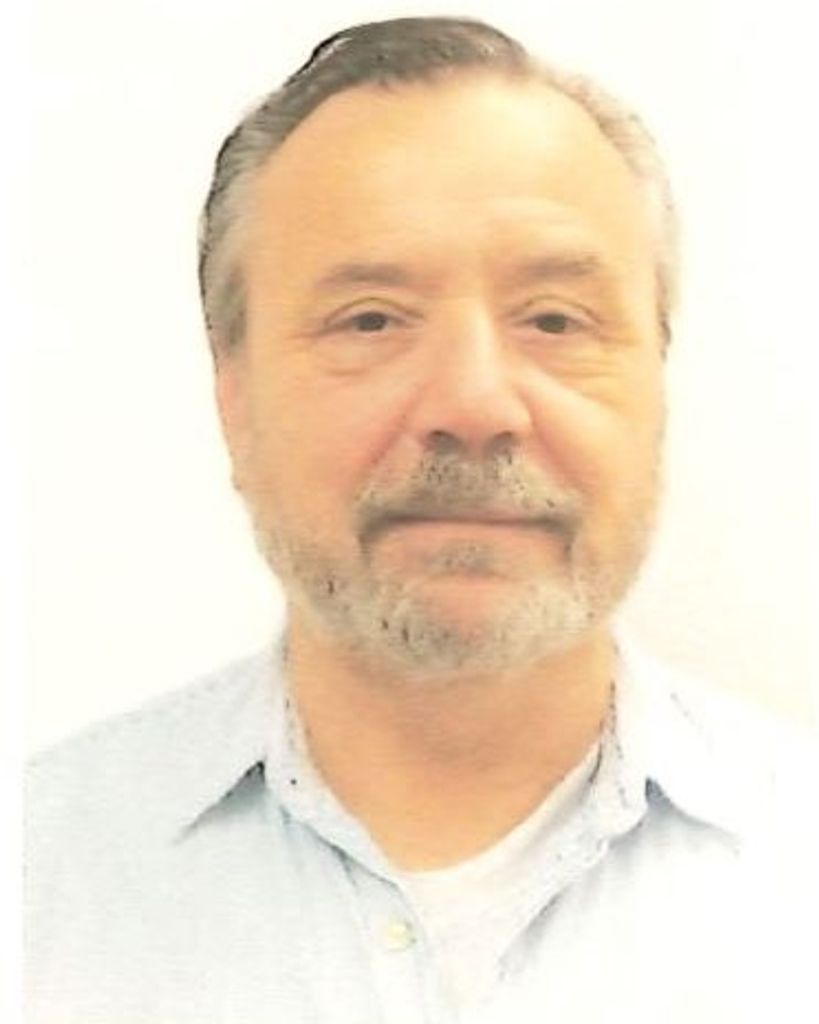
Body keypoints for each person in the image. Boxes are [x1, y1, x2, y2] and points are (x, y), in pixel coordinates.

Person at [25, 16, 815, 1024]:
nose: (474, 404)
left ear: (657, 386)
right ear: (234, 403)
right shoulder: (39, 874)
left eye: (555, 320)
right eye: (371, 319)